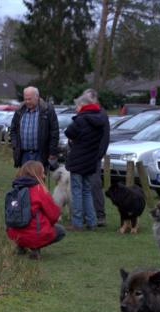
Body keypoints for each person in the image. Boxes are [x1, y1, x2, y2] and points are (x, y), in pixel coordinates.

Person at [64, 92, 108, 231]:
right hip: (91, 160)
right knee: (87, 191)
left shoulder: (80, 120)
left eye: (77, 105)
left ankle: (77, 222)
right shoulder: (100, 119)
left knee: (77, 191)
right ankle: (92, 221)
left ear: (83, 105)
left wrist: (75, 139)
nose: (76, 108)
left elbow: (68, 133)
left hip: (78, 159)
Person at [6, 161, 65, 259]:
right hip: (35, 234)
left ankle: (20, 246)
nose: (44, 175)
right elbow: (54, 214)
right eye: (42, 172)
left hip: (14, 234)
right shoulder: (39, 189)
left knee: (26, 224)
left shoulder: (14, 189)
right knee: (60, 231)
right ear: (37, 174)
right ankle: (35, 248)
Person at [10, 86, 59, 169]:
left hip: (40, 154)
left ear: (37, 97)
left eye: (29, 99)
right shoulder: (19, 110)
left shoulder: (47, 110)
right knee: (24, 180)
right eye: (25, 99)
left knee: (38, 180)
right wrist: (15, 145)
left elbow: (54, 133)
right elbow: (13, 130)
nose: (27, 101)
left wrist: (52, 153)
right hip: (23, 154)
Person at [82, 88, 110, 227]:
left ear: (94, 99)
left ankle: (100, 215)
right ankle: (87, 214)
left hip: (94, 156)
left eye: (87, 100)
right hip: (85, 155)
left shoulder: (101, 114)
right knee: (85, 186)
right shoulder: (88, 112)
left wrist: (98, 155)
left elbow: (104, 138)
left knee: (94, 185)